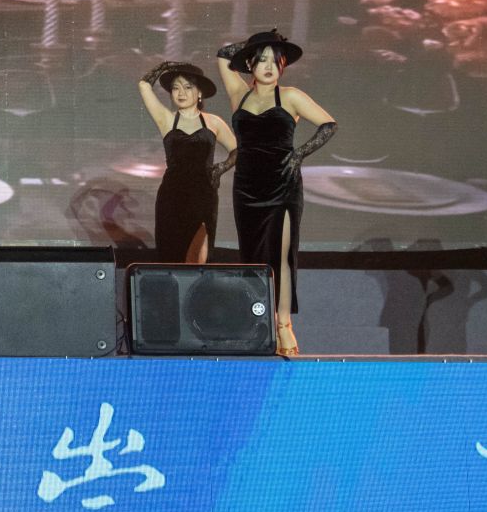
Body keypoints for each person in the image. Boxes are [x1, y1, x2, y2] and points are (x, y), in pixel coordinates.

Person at [214, 28, 337, 357]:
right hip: (247, 187)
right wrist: (255, 44)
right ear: (250, 64)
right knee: (252, 256)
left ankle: (283, 324)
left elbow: (328, 124)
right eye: (262, 60)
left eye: (275, 60)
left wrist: (299, 154)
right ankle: (259, 322)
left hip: (282, 185)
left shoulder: (291, 96)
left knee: (280, 256)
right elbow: (223, 55)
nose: (269, 66)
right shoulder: (239, 93)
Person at [136, 61, 236, 264]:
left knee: (199, 258)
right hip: (172, 197)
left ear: (200, 93)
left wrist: (221, 168)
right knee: (171, 257)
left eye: (188, 87)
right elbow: (144, 85)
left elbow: (237, 149)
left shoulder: (213, 122)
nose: (181, 93)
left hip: (203, 196)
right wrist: (165, 66)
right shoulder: (166, 119)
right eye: (175, 88)